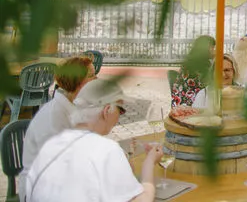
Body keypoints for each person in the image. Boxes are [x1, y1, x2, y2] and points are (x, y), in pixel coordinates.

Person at [26, 80, 162, 202]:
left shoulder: (50, 144)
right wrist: (149, 164)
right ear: (107, 111)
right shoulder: (107, 150)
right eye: (120, 110)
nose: (120, 116)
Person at [20, 56, 96, 202]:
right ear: (78, 81)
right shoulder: (55, 116)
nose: (96, 80)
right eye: (91, 76)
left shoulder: (74, 106)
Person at [170, 35, 215, 107]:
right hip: (191, 105)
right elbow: (211, 86)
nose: (214, 50)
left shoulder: (190, 61)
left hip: (179, 103)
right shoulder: (202, 66)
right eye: (212, 47)